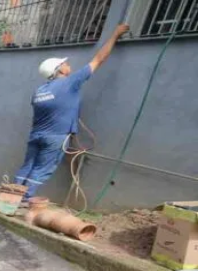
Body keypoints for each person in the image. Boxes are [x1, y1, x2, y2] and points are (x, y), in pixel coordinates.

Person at [14, 23, 130, 203]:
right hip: (55, 137)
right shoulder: (70, 83)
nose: (69, 66)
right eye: (65, 64)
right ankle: (23, 200)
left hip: (36, 135)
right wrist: (115, 34)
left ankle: (10, 196)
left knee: (27, 166)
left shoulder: (39, 91)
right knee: (41, 169)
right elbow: (98, 59)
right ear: (59, 70)